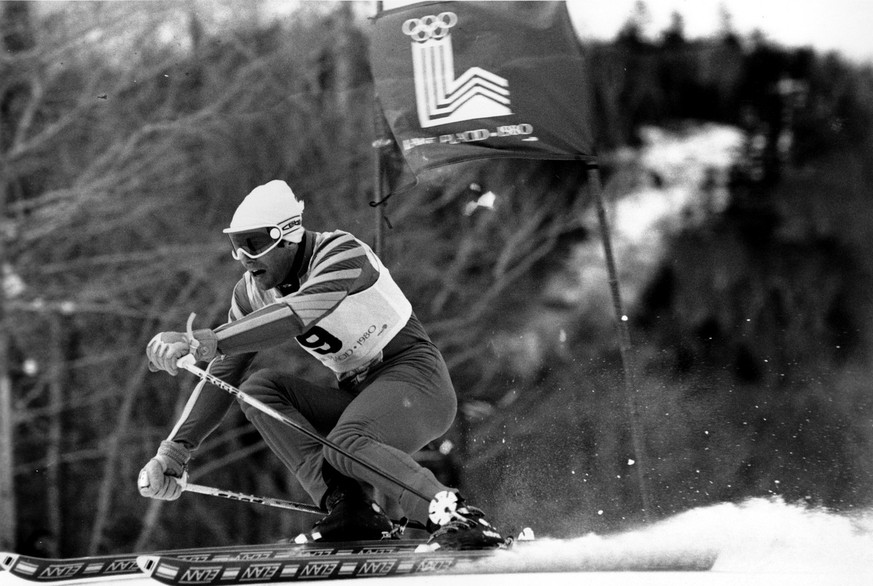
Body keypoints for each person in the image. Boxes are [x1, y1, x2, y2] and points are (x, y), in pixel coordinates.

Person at [139, 180, 503, 550]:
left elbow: (297, 314)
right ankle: (351, 509)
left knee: (346, 441)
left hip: (418, 383)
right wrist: (174, 453)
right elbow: (221, 374)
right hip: (360, 396)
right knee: (257, 391)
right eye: (237, 247)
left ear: (289, 235)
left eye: (255, 244)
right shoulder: (251, 292)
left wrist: (207, 340)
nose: (246, 258)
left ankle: (451, 512)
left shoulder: (340, 252)